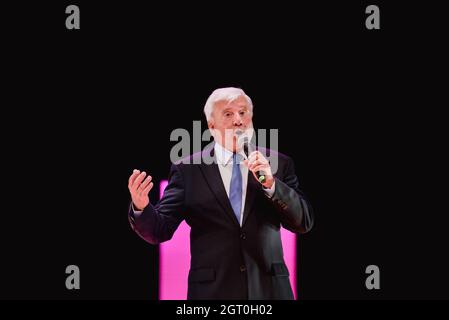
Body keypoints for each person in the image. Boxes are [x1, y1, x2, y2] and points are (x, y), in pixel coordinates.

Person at [127, 87, 314, 300]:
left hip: (269, 292)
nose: (238, 120)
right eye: (228, 113)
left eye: (243, 113)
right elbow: (159, 230)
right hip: (212, 293)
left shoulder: (279, 163)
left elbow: (303, 222)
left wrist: (271, 184)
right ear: (211, 125)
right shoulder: (188, 169)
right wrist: (141, 208)